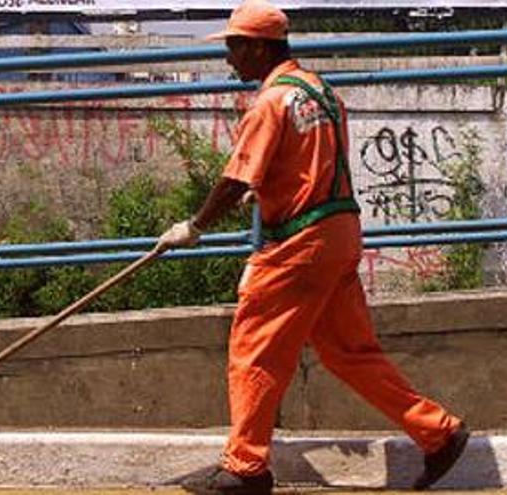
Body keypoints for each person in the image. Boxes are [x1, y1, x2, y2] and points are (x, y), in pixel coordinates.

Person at [156, 1, 470, 493]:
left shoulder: (270, 102)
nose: (230, 59)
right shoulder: (321, 92)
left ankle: (245, 468)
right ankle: (438, 432)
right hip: (338, 232)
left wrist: (194, 226)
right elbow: (305, 163)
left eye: (235, 47)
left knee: (254, 349)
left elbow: (237, 176)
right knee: (349, 352)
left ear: (260, 46)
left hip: (299, 243)